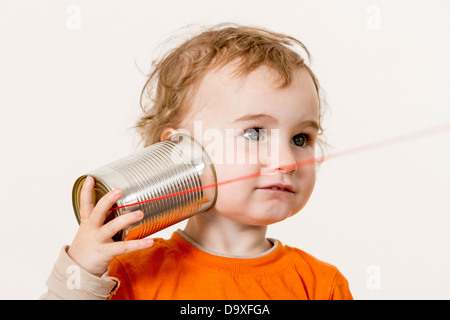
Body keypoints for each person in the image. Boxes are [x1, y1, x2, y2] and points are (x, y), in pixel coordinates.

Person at [41, 23, 353, 300]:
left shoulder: (320, 285)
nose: (287, 162)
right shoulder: (125, 275)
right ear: (179, 149)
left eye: (301, 139)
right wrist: (80, 274)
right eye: (255, 133)